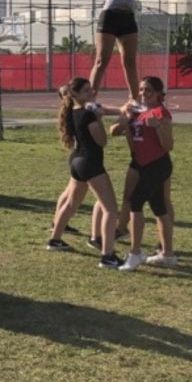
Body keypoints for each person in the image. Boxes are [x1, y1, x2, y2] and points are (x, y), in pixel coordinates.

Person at [47, 78, 123, 269]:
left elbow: (103, 110)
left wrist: (120, 110)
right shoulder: (88, 115)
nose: (91, 93)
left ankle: (54, 240)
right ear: (76, 95)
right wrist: (98, 118)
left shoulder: (71, 111)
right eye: (87, 91)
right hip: (90, 163)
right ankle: (108, 256)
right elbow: (102, 141)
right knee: (110, 209)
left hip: (76, 161)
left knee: (72, 204)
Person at [112, 77, 176, 271]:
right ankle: (167, 254)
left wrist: (157, 127)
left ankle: (135, 252)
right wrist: (124, 119)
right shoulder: (137, 111)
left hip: (158, 165)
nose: (143, 94)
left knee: (135, 202)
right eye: (141, 90)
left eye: (148, 90)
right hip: (141, 164)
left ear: (158, 93)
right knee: (159, 208)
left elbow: (168, 145)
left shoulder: (161, 113)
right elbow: (114, 131)